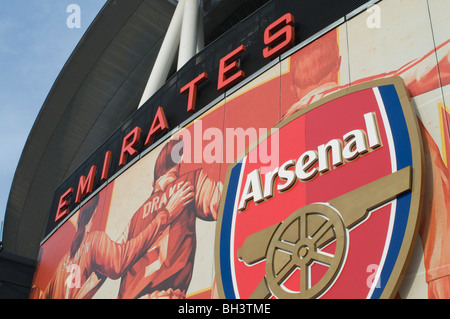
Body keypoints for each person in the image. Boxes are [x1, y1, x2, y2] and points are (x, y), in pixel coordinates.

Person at [282, 28, 450, 299]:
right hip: (383, 257)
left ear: (292, 86)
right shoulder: (371, 98)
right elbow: (428, 71)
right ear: (337, 65)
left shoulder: (268, 149)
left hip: (322, 268)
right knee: (410, 136)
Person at [38, 181, 194, 299]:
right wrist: (166, 214)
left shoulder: (63, 265)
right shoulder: (94, 241)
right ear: (93, 214)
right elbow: (121, 260)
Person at [117, 139, 222, 299]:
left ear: (153, 182)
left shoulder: (134, 220)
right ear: (177, 167)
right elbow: (229, 202)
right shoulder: (190, 182)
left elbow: (114, 260)